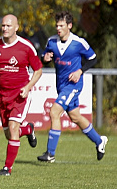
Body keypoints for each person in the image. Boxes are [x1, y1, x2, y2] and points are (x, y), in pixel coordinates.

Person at [37, 11, 108, 162]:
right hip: (61, 85)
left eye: (61, 25)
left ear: (69, 26)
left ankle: (50, 154)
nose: (58, 28)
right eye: (57, 25)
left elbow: (93, 59)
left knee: (54, 112)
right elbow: (44, 58)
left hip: (73, 85)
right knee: (75, 117)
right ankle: (99, 141)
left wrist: (80, 71)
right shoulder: (51, 42)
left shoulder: (78, 42)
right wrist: (45, 58)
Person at [0, 14, 43, 176]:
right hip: (1, 96)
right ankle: (28, 129)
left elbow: (38, 70)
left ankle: (7, 168)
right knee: (9, 134)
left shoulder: (26, 46)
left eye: (9, 26)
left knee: (12, 127)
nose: (5, 28)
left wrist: (28, 86)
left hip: (20, 95)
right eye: (3, 25)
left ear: (16, 27)